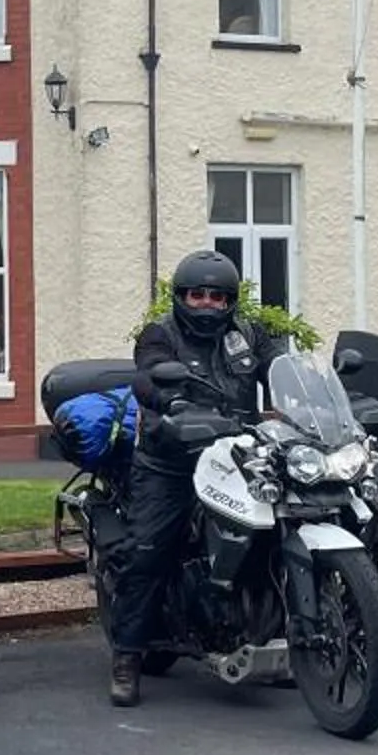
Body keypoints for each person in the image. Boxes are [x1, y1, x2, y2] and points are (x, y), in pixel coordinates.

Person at [107, 249, 282, 707]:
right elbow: (147, 376)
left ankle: (280, 637)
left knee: (279, 531)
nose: (206, 304)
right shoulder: (159, 334)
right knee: (148, 552)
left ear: (230, 302)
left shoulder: (250, 335)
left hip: (238, 457)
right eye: (196, 295)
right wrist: (171, 402)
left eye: (216, 297)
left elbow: (281, 371)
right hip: (171, 462)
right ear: (182, 297)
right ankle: (127, 656)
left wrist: (311, 403)